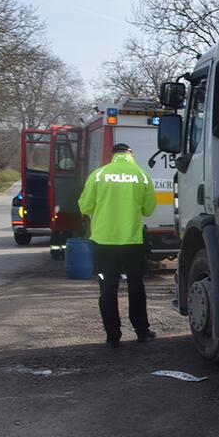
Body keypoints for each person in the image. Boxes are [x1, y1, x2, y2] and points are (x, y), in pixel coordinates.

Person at [78, 142, 157, 347]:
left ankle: (113, 335)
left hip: (104, 243)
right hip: (132, 242)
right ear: (130, 154)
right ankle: (142, 331)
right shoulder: (141, 175)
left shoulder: (98, 175)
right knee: (136, 287)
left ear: (112, 155)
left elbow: (84, 205)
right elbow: (149, 210)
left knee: (107, 289)